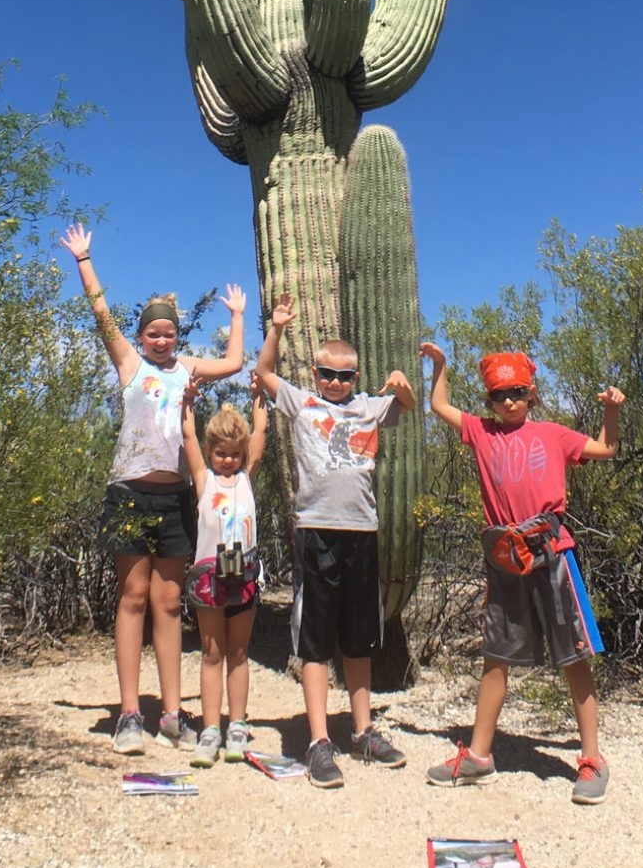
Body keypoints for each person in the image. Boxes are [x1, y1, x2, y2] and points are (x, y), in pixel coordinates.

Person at [60, 222, 245, 754]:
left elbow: (233, 363)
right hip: (129, 495)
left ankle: (170, 713)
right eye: (153, 333)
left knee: (168, 603)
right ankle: (128, 714)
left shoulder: (186, 369)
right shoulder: (129, 364)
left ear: (176, 335)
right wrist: (83, 260)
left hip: (175, 499)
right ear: (141, 336)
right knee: (133, 598)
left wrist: (235, 317)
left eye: (168, 332)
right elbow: (100, 313)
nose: (161, 340)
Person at [420, 342, 624, 804]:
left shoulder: (553, 434)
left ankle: (591, 758)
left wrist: (611, 411)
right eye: (498, 395)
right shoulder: (481, 432)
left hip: (551, 551)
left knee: (574, 654)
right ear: (489, 400)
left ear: (531, 394)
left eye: (516, 392)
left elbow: (606, 449)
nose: (508, 401)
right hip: (506, 557)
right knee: (497, 654)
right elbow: (438, 406)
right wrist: (440, 367)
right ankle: (479, 755)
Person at [254, 292, 415, 789]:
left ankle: (364, 730)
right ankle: (320, 740)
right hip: (318, 531)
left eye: (346, 376)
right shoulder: (303, 404)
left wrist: (404, 386)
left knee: (358, 638)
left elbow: (406, 406)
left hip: (362, 533)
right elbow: (262, 375)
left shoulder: (369, 408)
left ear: (357, 379)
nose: (336, 382)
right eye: (328, 373)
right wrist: (277, 329)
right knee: (316, 640)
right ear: (317, 374)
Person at [181, 375, 269, 766]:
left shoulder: (247, 479)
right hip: (209, 578)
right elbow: (187, 440)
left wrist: (258, 397)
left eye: (235, 454)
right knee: (211, 652)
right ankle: (210, 729)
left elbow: (262, 430)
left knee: (238, 651)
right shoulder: (204, 480)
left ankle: (237, 725)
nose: (228, 461)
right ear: (211, 450)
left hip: (244, 576)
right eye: (221, 454)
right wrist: (188, 402)